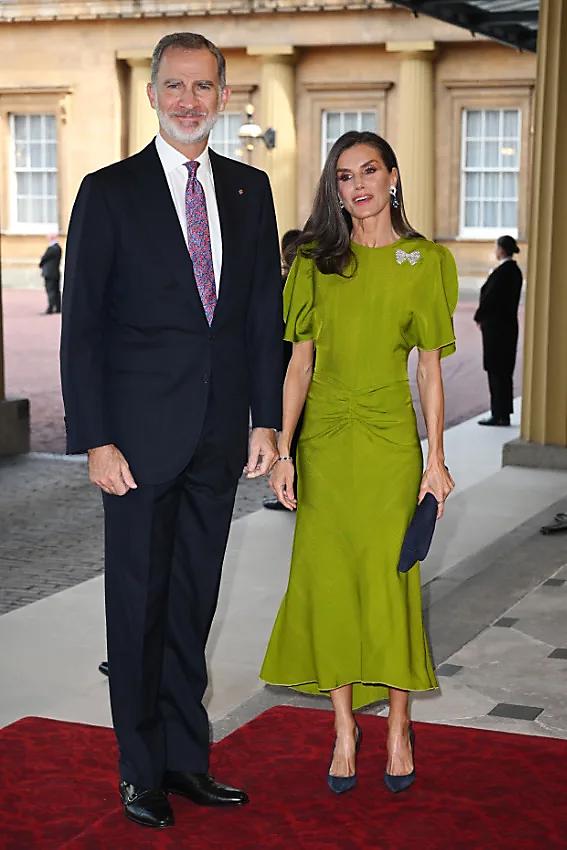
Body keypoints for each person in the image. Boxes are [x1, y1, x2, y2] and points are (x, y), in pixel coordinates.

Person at [60, 32, 282, 829]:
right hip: (136, 445)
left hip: (219, 438)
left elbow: (263, 321)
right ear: (154, 94)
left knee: (192, 605)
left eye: (205, 87)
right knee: (138, 608)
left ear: (224, 96)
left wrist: (267, 423)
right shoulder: (109, 191)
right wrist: (95, 439)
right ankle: (139, 770)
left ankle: (189, 761)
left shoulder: (251, 193)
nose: (190, 101)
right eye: (175, 87)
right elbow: (82, 327)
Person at [261, 131, 457, 795]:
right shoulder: (315, 260)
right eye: (343, 176)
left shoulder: (423, 260)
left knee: (389, 580)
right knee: (329, 580)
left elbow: (429, 370)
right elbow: (298, 364)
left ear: (393, 176)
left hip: (388, 447)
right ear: (333, 189)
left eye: (369, 170)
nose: (358, 185)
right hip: (325, 444)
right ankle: (344, 728)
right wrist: (284, 451)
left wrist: (436, 460)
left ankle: (398, 723)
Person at [263, 228, 302, 512]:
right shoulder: (287, 283)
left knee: (290, 424)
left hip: (287, 362)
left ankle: (292, 486)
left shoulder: (283, 284)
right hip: (293, 362)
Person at [474, 235, 523, 427]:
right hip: (508, 327)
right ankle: (504, 412)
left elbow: (490, 298)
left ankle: (498, 413)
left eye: (496, 247)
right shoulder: (514, 271)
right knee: (504, 371)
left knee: (495, 370)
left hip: (497, 328)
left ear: (502, 249)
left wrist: (479, 316)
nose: (495, 250)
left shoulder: (503, 272)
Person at [39, 234, 62, 314]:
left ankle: (51, 308)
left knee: (50, 290)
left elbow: (44, 258)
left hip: (49, 273)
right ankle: (58, 307)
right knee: (56, 291)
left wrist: (41, 260)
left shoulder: (52, 248)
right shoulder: (58, 248)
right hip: (55, 272)